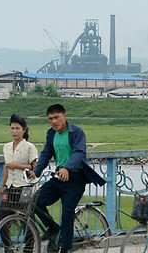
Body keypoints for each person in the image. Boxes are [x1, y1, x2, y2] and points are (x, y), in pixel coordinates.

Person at [28, 104, 105, 253]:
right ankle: (53, 228)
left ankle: (66, 249)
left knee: (67, 214)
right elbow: (45, 154)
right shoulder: (51, 134)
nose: (54, 121)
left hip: (75, 179)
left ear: (65, 116)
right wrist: (36, 171)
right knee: (35, 201)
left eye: (57, 117)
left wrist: (67, 168)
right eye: (50, 119)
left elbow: (79, 153)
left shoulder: (76, 132)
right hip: (58, 177)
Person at [0, 114, 38, 252]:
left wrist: (18, 165)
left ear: (24, 130)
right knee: (2, 219)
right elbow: (6, 167)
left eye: (17, 128)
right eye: (12, 128)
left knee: (25, 220)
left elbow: (34, 167)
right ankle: (8, 249)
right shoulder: (6, 147)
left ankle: (28, 249)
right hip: (10, 187)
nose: (14, 131)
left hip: (25, 187)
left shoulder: (29, 147)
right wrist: (2, 187)